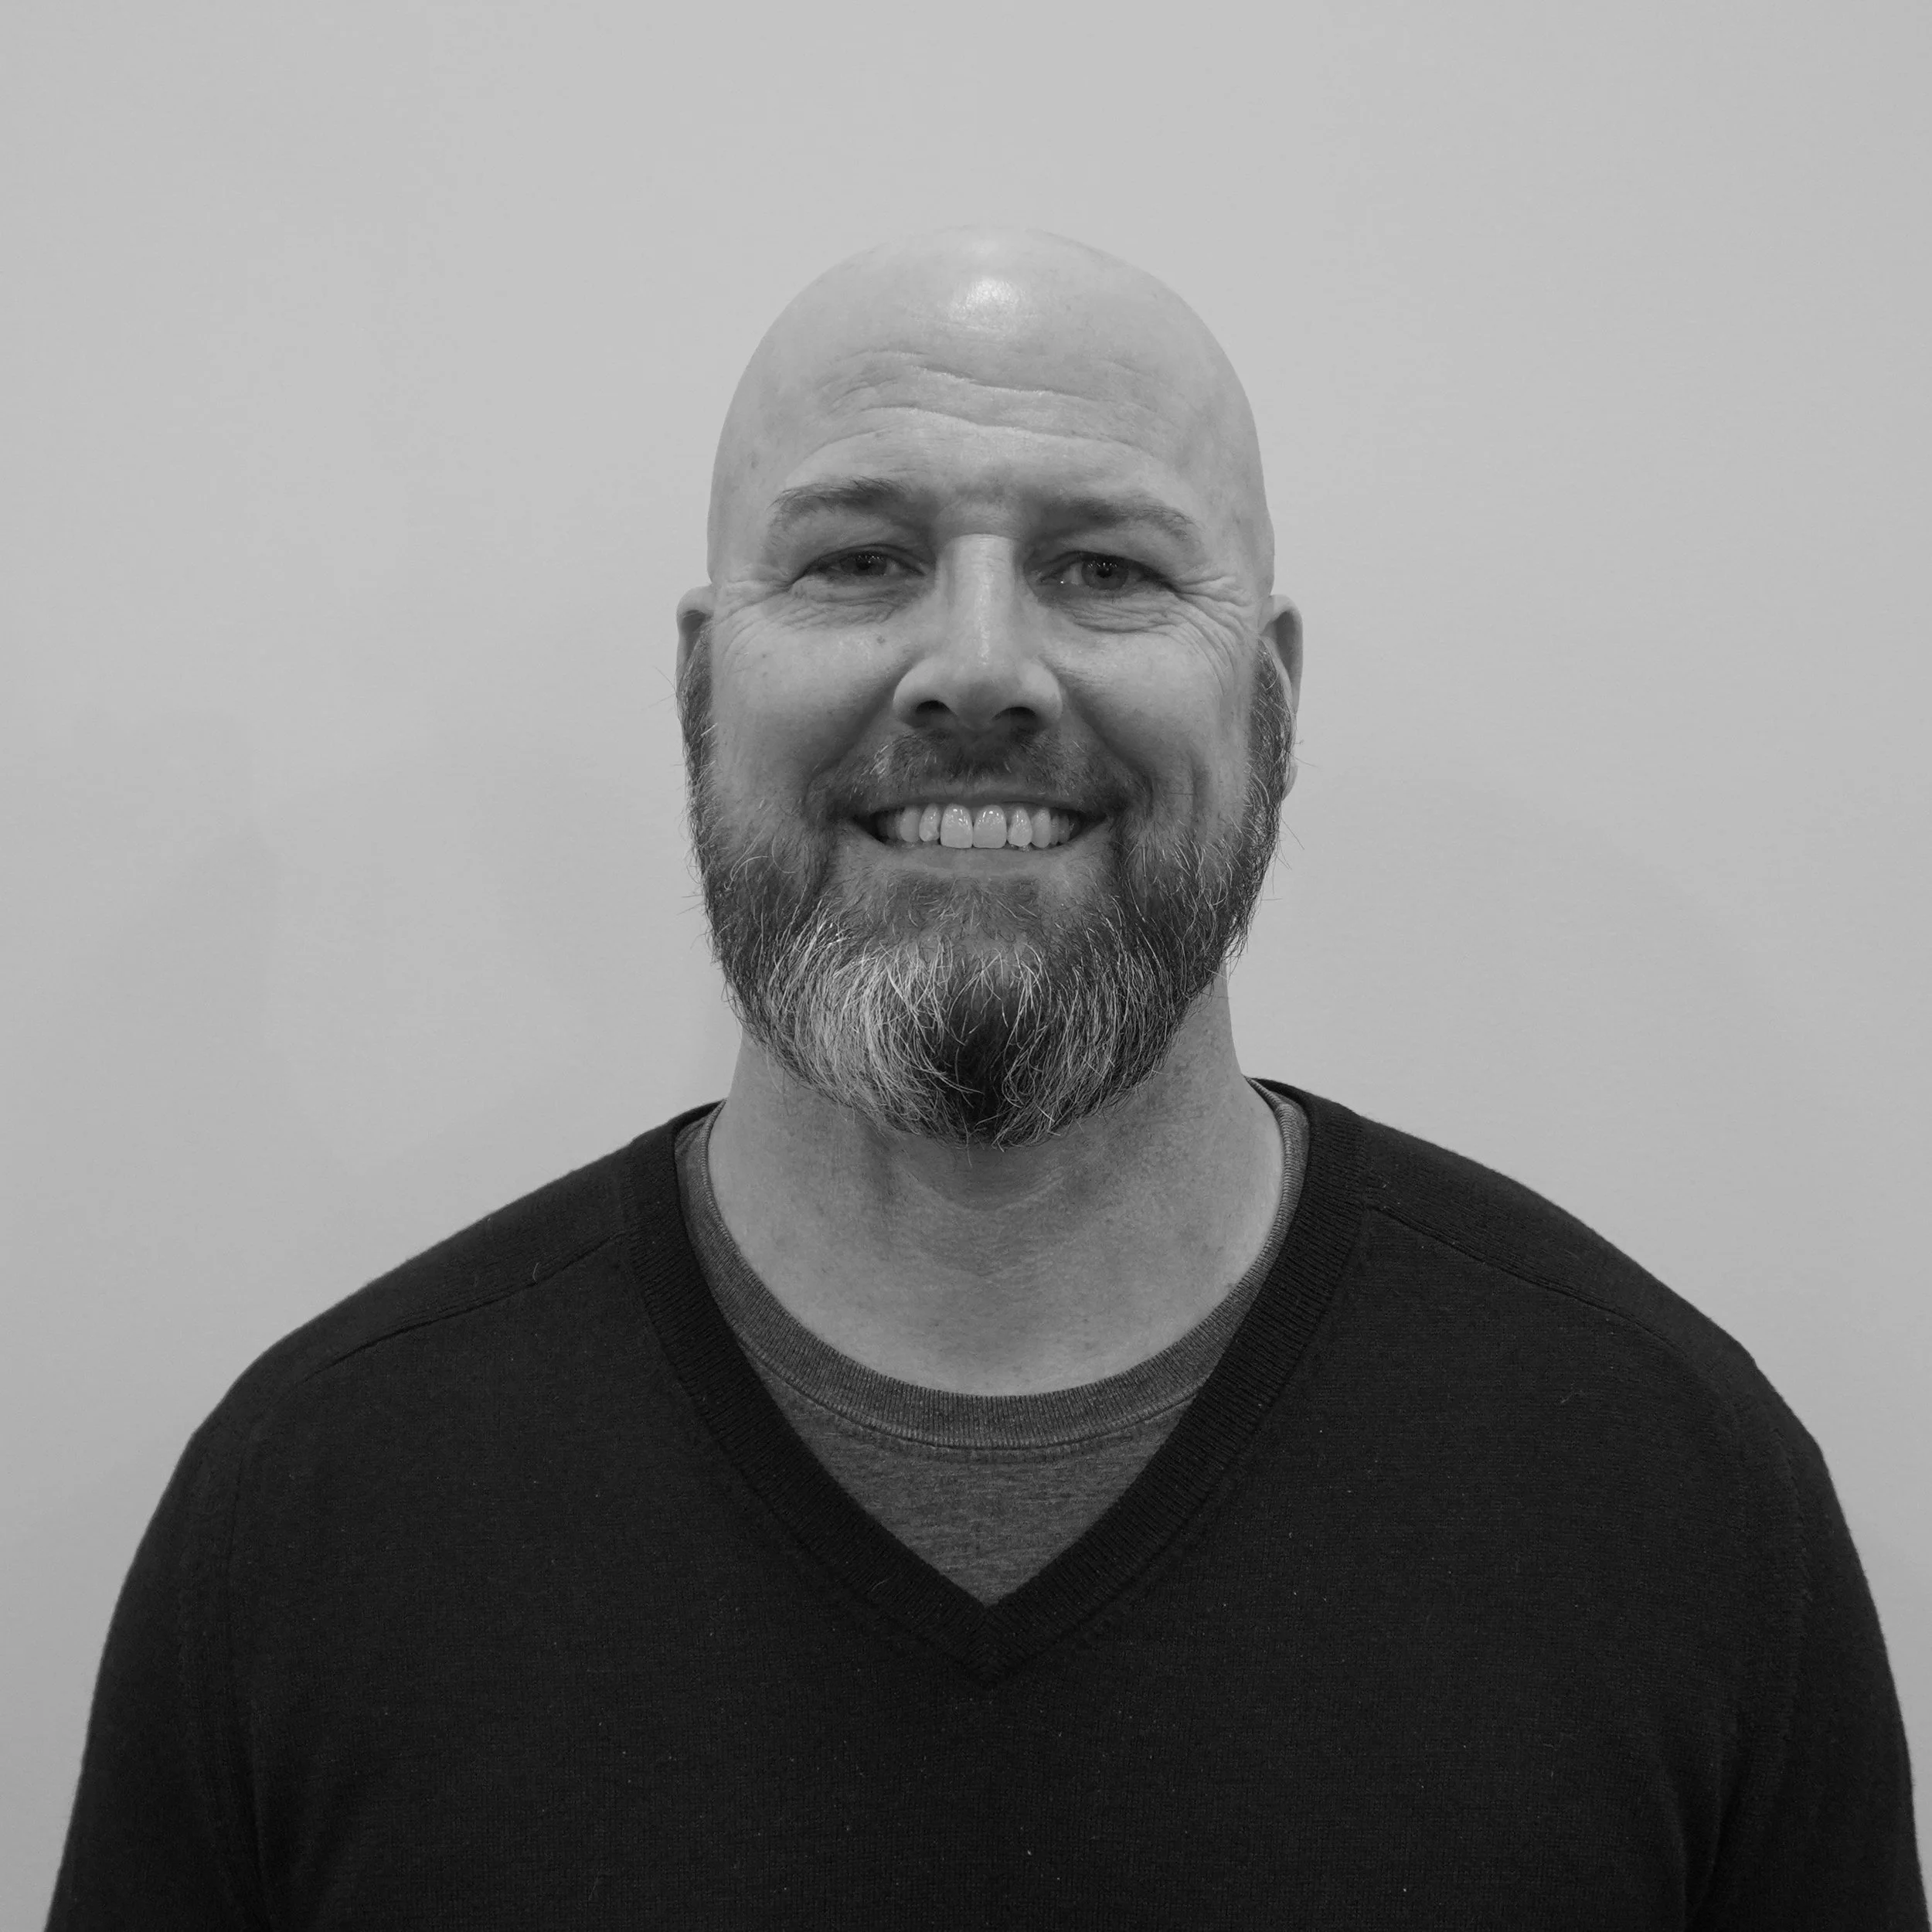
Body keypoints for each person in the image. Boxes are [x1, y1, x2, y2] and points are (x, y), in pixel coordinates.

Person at [48, 229, 1923, 1930]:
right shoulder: (315, 1516)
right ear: (701, 687)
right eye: (858, 559)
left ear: (1270, 700)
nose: (974, 666)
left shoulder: (1670, 1492)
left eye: (1103, 567)